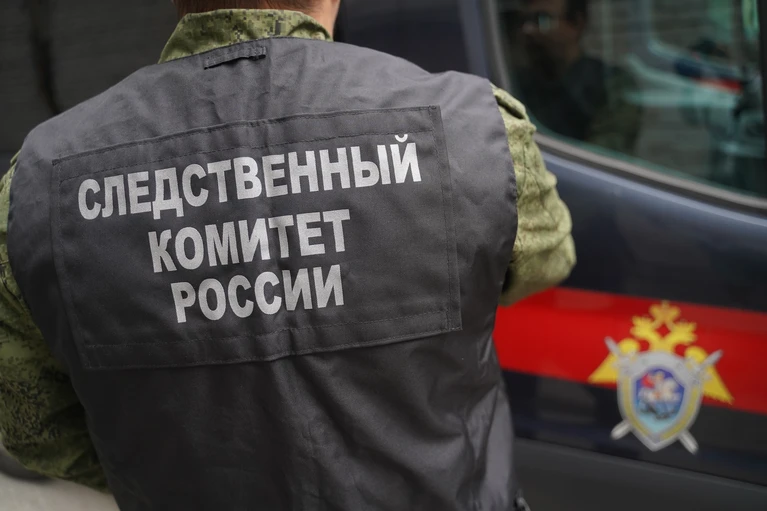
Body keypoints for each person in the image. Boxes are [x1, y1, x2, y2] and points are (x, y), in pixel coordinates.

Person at [0, 1, 575, 509]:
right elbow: (548, 258)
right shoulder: (474, 130)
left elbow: (33, 425)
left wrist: (154, 477)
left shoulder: (38, 188)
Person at [503, 0, 641, 154]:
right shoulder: (514, 84)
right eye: (523, 21)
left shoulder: (612, 83)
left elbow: (601, 154)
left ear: (576, 23)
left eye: (542, 20)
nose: (528, 30)